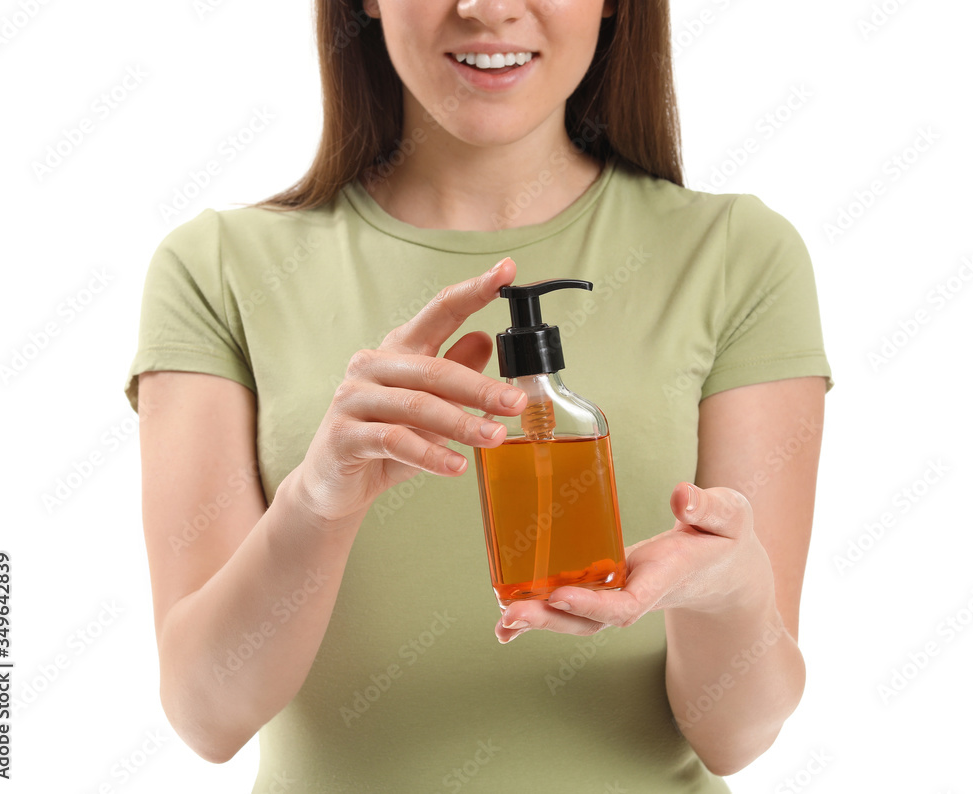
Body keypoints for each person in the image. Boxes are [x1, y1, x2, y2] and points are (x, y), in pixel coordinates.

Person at [125, 1, 833, 791]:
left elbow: (737, 737)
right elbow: (204, 716)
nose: (489, 8)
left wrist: (728, 591)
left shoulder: (738, 256)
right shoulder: (217, 268)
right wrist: (316, 504)